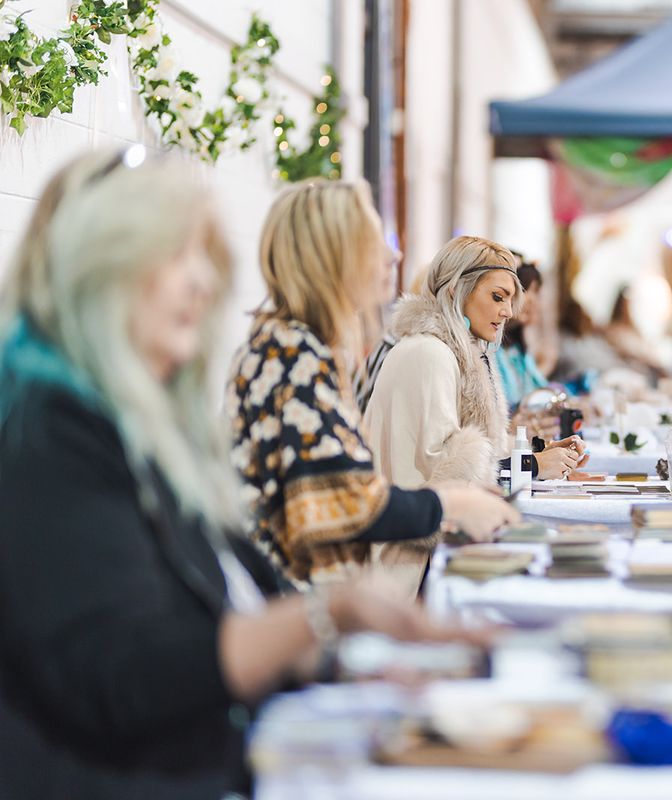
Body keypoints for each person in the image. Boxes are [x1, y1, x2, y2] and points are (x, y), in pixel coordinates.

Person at [0, 149, 484, 799]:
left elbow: (230, 594)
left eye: (202, 258)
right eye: (174, 256)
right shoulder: (48, 430)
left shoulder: (139, 423)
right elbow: (127, 672)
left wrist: (342, 664)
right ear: (97, 267)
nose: (200, 282)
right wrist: (328, 616)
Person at [227, 182, 517, 588]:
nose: (392, 254)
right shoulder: (291, 353)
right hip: (297, 605)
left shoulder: (302, 346)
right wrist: (451, 502)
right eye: (373, 242)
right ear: (332, 257)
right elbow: (340, 503)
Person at [362, 237, 585, 583]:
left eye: (511, 300)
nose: (508, 312)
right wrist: (532, 465)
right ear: (455, 291)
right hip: (411, 560)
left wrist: (536, 450)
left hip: (431, 547)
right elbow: (446, 475)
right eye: (497, 297)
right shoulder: (429, 354)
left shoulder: (462, 351)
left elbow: (476, 446)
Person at [496, 260, 550, 408]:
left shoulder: (517, 347)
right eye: (525, 289)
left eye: (536, 292)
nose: (533, 300)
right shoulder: (490, 349)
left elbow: (538, 392)